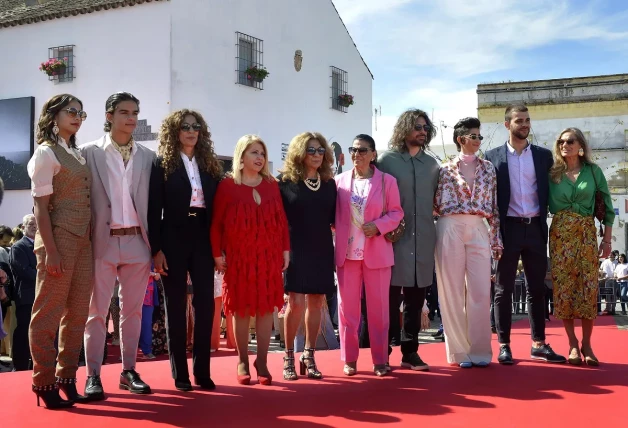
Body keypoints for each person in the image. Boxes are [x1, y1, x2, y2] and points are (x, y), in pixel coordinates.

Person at [82, 92, 155, 399]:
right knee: (96, 312)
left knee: (133, 312)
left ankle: (128, 371)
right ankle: (93, 376)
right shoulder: (88, 153)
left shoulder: (149, 157)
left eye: (135, 112)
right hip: (102, 241)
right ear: (109, 115)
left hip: (139, 241)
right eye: (124, 112)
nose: (131, 118)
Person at [484, 104, 566, 365]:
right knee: (502, 289)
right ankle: (504, 345)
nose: (525, 124)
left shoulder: (543, 156)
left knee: (537, 289)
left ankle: (538, 344)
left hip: (535, 228)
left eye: (527, 120)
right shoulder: (492, 157)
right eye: (519, 120)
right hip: (507, 228)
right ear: (507, 124)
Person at [148, 109, 222, 391]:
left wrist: (219, 246)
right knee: (175, 307)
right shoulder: (162, 164)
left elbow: (219, 208)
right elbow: (154, 210)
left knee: (205, 305)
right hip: (173, 239)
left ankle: (202, 372)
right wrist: (156, 249)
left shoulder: (209, 164)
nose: (191, 131)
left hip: (202, 237)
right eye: (185, 127)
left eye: (196, 127)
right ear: (174, 131)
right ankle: (180, 374)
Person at [26, 94, 92, 408]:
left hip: (84, 242)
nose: (78, 117)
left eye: (81, 112)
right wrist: (50, 250)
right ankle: (43, 380)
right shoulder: (45, 153)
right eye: (71, 111)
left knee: (78, 313)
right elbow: (39, 209)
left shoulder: (76, 153)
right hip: (58, 240)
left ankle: (67, 377)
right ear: (53, 115)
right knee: (48, 313)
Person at [211, 134, 289, 386]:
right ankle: (243, 359)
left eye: (262, 153)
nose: (260, 158)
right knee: (241, 308)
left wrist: (285, 251)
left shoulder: (271, 184)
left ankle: (263, 361)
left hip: (268, 256)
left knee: (266, 308)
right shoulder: (227, 186)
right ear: (241, 156)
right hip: (238, 258)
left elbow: (281, 221)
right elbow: (216, 225)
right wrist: (216, 254)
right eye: (254, 152)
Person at [434, 117, 502, 368]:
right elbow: (434, 204)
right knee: (451, 291)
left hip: (478, 227)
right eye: (474, 136)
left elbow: (494, 207)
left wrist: (496, 241)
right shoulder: (444, 169)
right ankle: (459, 352)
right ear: (461, 139)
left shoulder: (488, 168)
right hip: (449, 224)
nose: (478, 140)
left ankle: (481, 350)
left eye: (479, 136)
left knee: (481, 290)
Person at [334, 134, 404, 377]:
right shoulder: (339, 181)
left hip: (377, 254)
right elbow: (332, 216)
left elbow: (397, 213)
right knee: (347, 311)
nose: (357, 154)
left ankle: (380, 359)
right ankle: (350, 359)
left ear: (373, 154)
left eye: (363, 150)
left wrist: (379, 225)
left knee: (379, 310)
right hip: (347, 255)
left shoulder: (387, 182)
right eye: (353, 150)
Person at [377, 109, 439, 371]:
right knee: (388, 299)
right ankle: (383, 352)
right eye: (416, 126)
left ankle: (410, 351)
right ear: (404, 129)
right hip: (392, 241)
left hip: (423, 239)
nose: (422, 131)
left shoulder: (434, 165)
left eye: (425, 127)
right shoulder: (386, 161)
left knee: (415, 299)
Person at [548, 127, 614, 366]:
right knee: (564, 289)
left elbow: (607, 206)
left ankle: (587, 344)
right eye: (561, 141)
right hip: (560, 235)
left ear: (581, 145)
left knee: (588, 288)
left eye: (571, 140)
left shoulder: (593, 172)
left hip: (586, 234)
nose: (565, 144)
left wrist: (606, 240)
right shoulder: (553, 173)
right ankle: (572, 344)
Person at [278, 131, 336, 380]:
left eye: (320, 150)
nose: (316, 154)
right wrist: (282, 251)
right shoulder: (285, 182)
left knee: (316, 303)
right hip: (295, 249)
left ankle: (309, 355)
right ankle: (289, 356)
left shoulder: (329, 183)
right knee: (296, 303)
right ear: (300, 153)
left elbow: (336, 219)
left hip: (322, 247)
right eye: (311, 150)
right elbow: (278, 221)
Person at [9, 214, 38, 371]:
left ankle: (35, 363)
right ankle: (19, 365)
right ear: (23, 227)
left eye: (36, 223)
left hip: (40, 295)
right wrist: (44, 275)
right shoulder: (18, 247)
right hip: (26, 297)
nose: (34, 226)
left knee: (38, 332)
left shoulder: (43, 244)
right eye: (30, 223)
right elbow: (24, 271)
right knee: (23, 330)